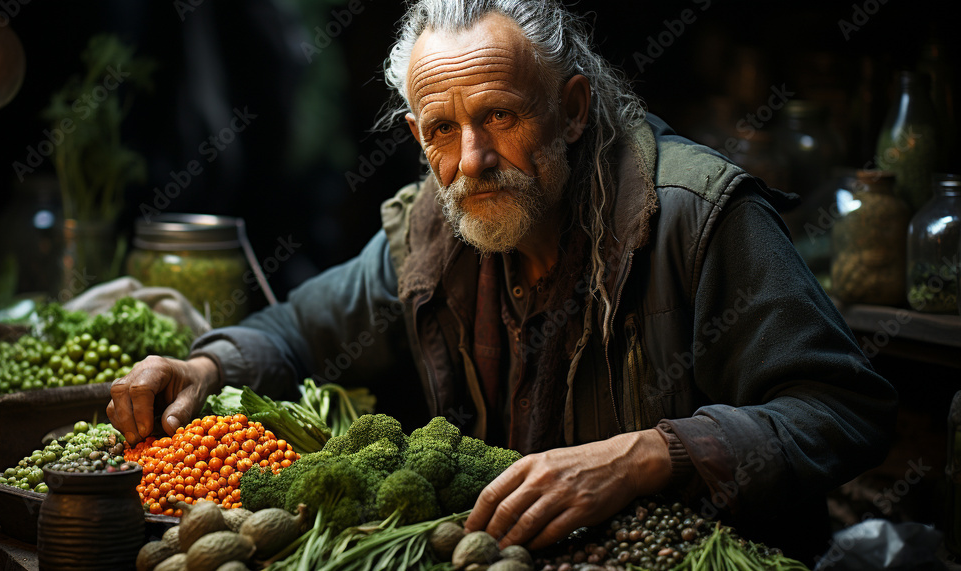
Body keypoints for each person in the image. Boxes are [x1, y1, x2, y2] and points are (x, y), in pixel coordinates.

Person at [107, 0, 897, 560]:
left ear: (575, 109)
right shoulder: (433, 229)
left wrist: (653, 453)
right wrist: (206, 364)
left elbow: (847, 410)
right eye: (444, 130)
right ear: (419, 138)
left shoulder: (699, 216)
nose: (472, 160)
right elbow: (302, 328)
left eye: (502, 117)